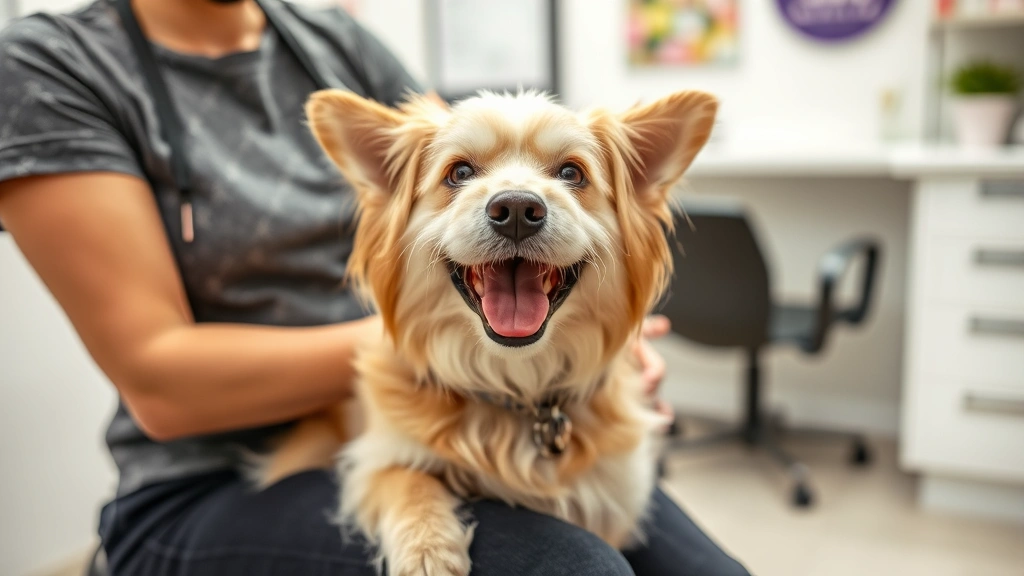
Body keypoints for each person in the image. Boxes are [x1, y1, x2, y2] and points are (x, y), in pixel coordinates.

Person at [0, 1, 751, 574]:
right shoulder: (52, 65)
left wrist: (594, 348)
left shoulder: (332, 43)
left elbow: (471, 157)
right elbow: (161, 384)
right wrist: (428, 345)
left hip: (499, 407)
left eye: (566, 176)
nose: (514, 200)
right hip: (213, 473)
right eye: (466, 178)